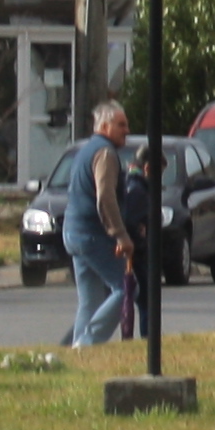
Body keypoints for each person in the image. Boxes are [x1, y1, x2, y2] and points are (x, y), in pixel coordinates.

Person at [62, 102, 136, 349]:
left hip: (74, 231)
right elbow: (105, 196)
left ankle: (78, 351)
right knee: (126, 289)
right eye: (121, 125)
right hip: (92, 234)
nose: (127, 130)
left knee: (90, 301)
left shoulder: (85, 150)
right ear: (105, 126)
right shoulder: (105, 153)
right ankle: (88, 343)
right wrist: (121, 235)